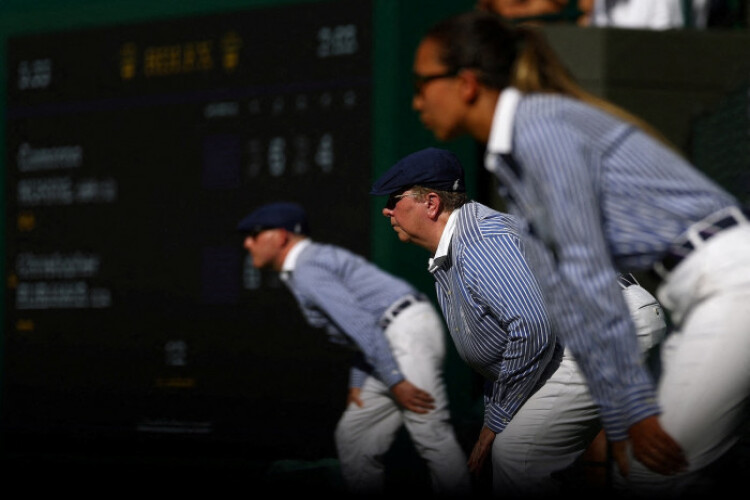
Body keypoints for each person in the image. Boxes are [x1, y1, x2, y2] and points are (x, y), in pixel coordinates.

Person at [410, 9, 750, 496]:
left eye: (423, 83)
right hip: (703, 288)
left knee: (657, 471)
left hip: (731, 279)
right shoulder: (519, 145)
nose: (416, 100)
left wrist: (630, 403)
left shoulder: (540, 133)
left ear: (466, 84)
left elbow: (588, 279)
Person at [370, 147, 602, 497]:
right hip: (575, 339)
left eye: (395, 198)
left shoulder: (478, 241)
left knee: (518, 455)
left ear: (431, 203)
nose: (387, 209)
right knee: (517, 454)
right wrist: (496, 417)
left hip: (597, 330)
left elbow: (532, 326)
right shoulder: (457, 246)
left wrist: (496, 419)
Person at [236, 201, 471, 496]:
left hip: (403, 332)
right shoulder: (307, 264)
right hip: (393, 336)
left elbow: (361, 323)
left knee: (430, 431)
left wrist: (396, 380)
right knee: (355, 436)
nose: (247, 243)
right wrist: (360, 380)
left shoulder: (307, 267)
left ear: (281, 237)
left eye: (255, 234)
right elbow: (361, 324)